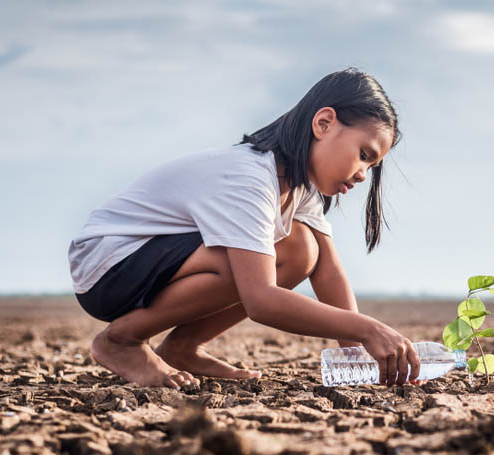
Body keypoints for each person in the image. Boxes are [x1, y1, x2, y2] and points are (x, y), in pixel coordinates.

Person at [67, 67, 421, 389]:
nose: (363, 174)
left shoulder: (298, 187)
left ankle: (181, 347)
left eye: (371, 166)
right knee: (242, 259)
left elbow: (328, 272)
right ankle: (121, 341)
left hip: (149, 262)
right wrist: (368, 329)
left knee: (301, 249)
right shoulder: (250, 177)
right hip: (109, 264)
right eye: (364, 154)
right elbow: (261, 300)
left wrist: (358, 357)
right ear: (324, 123)